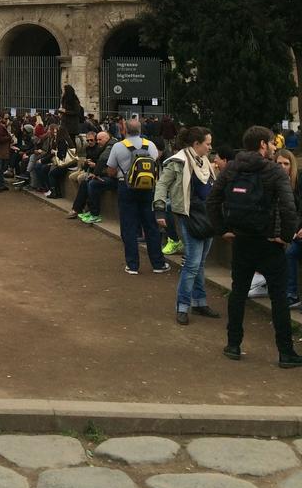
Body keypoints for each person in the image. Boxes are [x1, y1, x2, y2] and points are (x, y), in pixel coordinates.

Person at [207, 125, 302, 368]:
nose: (273, 147)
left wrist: (223, 230)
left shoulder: (232, 169)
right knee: (279, 298)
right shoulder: (274, 171)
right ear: (262, 144)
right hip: (270, 242)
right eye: (270, 143)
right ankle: (286, 352)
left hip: (241, 240)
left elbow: (213, 200)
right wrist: (286, 236)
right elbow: (288, 208)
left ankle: (233, 344)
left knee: (238, 293)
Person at [154, 127, 219, 325]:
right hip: (189, 216)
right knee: (192, 263)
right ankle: (183, 306)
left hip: (207, 217)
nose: (210, 147)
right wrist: (159, 209)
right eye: (207, 143)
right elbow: (162, 185)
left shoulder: (205, 162)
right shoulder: (177, 162)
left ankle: (199, 302)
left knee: (198, 264)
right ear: (196, 144)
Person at [106, 117, 169, 275]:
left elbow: (111, 170)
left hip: (126, 186)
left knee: (129, 226)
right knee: (151, 225)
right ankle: (158, 263)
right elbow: (155, 164)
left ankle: (132, 265)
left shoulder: (118, 147)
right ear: (141, 130)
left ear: (125, 130)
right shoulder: (151, 146)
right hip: (148, 188)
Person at [274, 149, 302, 308]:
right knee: (289, 253)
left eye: (286, 164)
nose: (283, 167)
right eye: (279, 163)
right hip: (288, 232)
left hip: (296, 230)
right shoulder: (272, 182)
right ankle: (290, 294)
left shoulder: (298, 182)